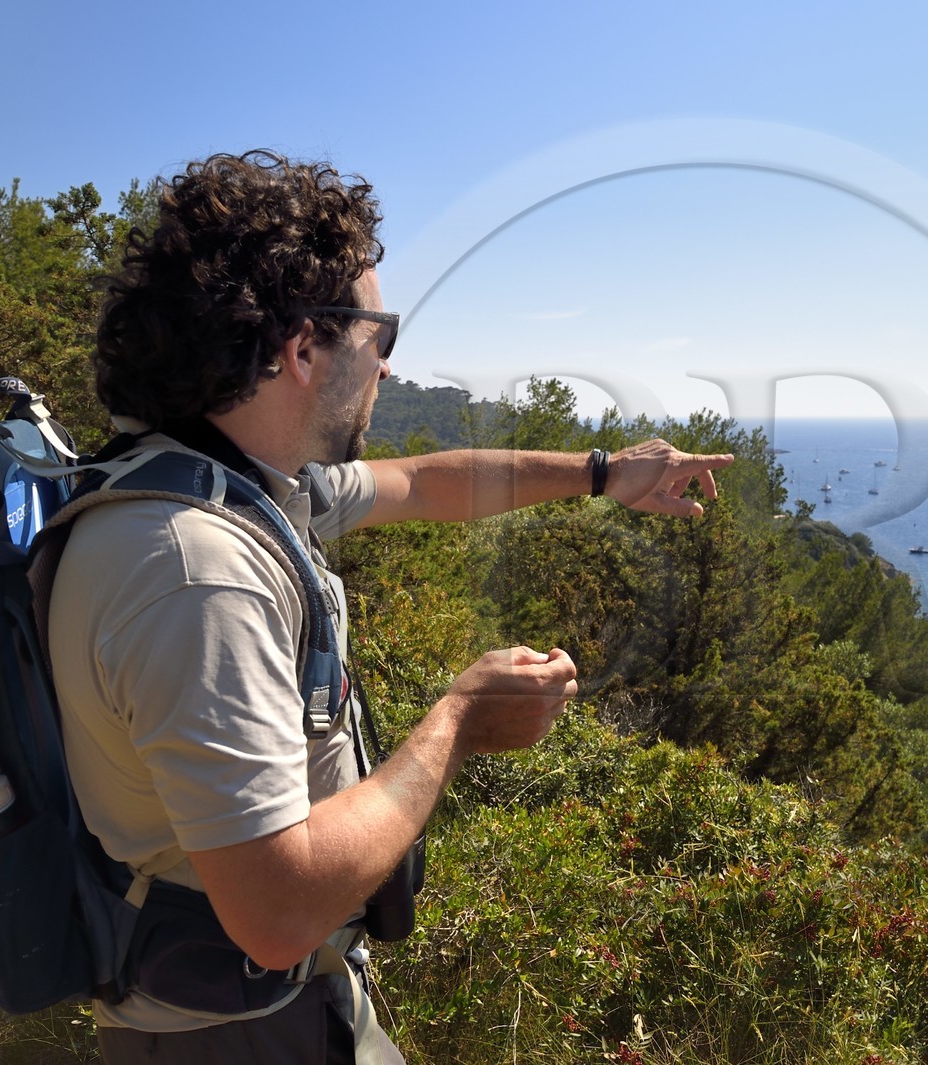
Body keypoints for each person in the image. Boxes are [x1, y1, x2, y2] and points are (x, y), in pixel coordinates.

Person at [46, 150, 733, 1063]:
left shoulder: (229, 487)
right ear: (300, 349)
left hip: (259, 1008)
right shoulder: (197, 570)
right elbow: (279, 911)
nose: (386, 367)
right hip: (240, 1034)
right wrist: (455, 722)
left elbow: (419, 482)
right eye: (382, 336)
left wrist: (605, 473)